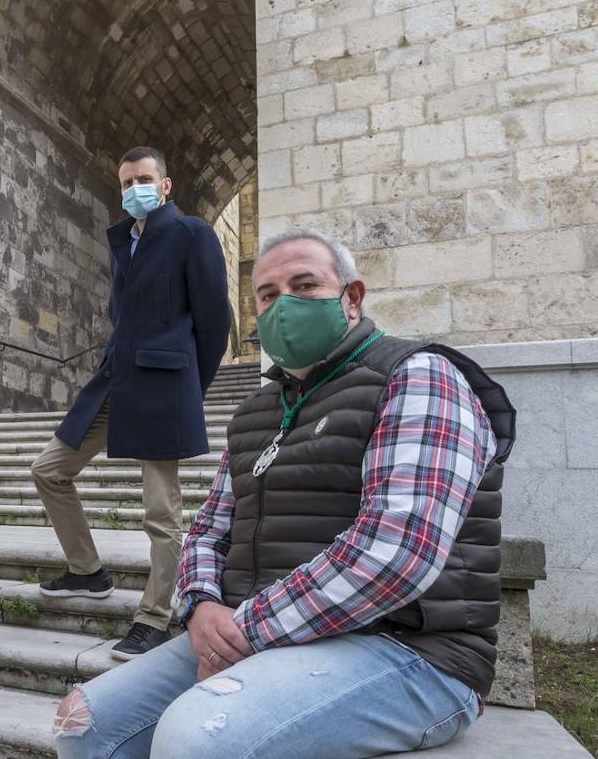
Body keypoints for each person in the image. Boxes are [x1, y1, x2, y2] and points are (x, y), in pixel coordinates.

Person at [52, 228, 516, 759]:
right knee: (82, 724)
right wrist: (202, 607)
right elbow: (208, 529)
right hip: (256, 632)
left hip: (412, 650)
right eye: (268, 295)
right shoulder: (257, 410)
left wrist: (244, 630)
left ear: (352, 297)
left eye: (306, 285)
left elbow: (396, 551)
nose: (284, 304)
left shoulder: (419, 376)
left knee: (198, 737)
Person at [32, 146, 231, 660]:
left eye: (143, 179)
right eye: (126, 183)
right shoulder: (125, 242)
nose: (133, 189)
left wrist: (190, 385)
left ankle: (154, 617)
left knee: (161, 514)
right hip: (114, 382)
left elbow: (214, 323)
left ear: (165, 185)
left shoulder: (192, 235)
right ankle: (87, 570)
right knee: (49, 469)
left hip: (165, 386)